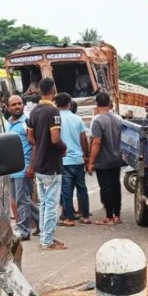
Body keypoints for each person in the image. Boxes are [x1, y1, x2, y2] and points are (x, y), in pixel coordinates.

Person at [27, 77, 68, 250]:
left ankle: (45, 236)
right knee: (51, 204)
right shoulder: (53, 112)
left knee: (43, 203)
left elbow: (31, 138)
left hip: (40, 164)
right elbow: (55, 138)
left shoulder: (34, 112)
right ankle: (47, 241)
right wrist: (63, 147)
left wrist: (40, 145)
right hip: (52, 164)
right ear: (54, 90)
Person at [6, 95, 39, 241]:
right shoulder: (9, 123)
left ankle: (24, 231)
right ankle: (43, 221)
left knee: (21, 200)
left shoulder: (26, 122)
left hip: (23, 167)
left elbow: (34, 145)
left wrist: (32, 166)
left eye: (19, 104)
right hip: (12, 168)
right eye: (14, 105)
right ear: (8, 108)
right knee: (22, 199)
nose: (17, 106)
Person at [87, 92, 124, 225]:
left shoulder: (97, 120)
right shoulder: (118, 119)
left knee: (106, 187)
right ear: (109, 103)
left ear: (97, 104)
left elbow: (96, 142)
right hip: (116, 159)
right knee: (116, 186)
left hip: (103, 160)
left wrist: (91, 162)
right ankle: (117, 215)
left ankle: (109, 217)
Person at [55, 93, 90, 226]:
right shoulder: (77, 119)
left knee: (66, 190)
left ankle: (69, 218)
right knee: (82, 188)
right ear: (69, 103)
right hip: (77, 159)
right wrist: (85, 155)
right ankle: (85, 217)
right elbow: (83, 139)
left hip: (63, 160)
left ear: (56, 104)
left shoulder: (56, 119)